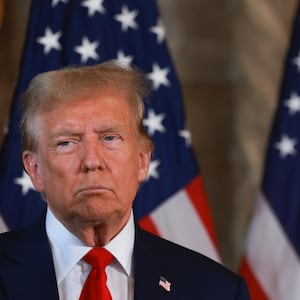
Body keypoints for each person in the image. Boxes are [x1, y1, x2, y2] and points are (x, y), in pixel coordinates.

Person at [0, 61, 250, 300]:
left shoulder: (215, 291)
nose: (92, 161)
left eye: (110, 138)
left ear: (142, 161)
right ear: (34, 169)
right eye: (67, 143)